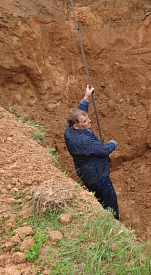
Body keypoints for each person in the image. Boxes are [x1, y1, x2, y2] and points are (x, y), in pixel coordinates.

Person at [64, 85, 119, 220]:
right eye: (85, 121)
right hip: (97, 176)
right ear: (76, 126)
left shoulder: (71, 127)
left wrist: (86, 97)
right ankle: (113, 224)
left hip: (85, 172)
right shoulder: (82, 140)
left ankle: (100, 212)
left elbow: (80, 112)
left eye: (87, 118)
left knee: (98, 198)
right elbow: (104, 150)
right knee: (110, 202)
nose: (89, 121)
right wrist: (113, 143)